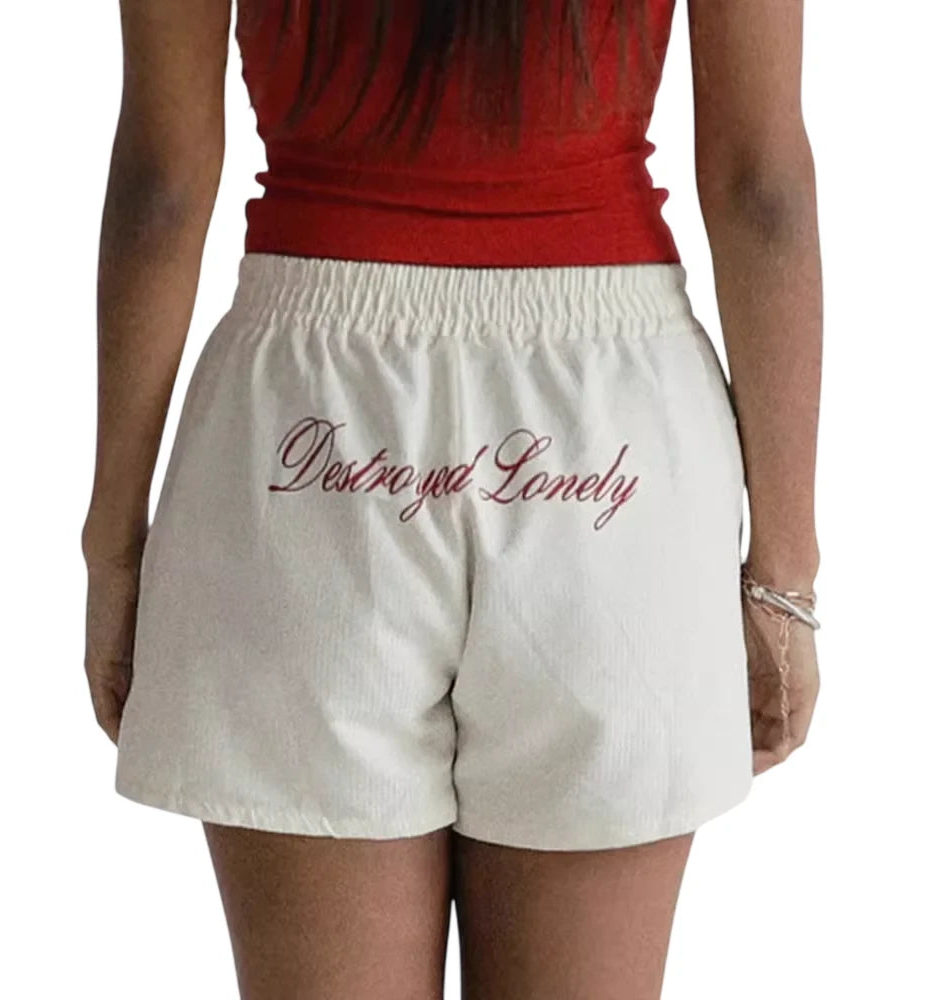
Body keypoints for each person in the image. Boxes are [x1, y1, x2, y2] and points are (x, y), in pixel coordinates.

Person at [81, 0, 822, 996]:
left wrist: (113, 545)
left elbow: (163, 187)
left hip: (304, 429)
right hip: (610, 443)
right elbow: (762, 187)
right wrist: (783, 579)